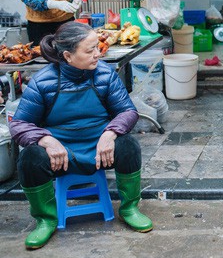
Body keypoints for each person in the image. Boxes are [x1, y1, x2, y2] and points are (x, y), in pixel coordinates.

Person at [9, 22, 152, 250]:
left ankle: (129, 208)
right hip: (61, 153)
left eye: (97, 47)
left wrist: (110, 133)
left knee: (128, 145)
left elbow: (127, 111)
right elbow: (19, 124)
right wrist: (46, 140)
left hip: (99, 149)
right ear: (67, 55)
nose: (98, 54)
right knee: (29, 158)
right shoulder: (43, 82)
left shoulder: (105, 74)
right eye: (90, 50)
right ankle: (46, 219)